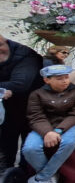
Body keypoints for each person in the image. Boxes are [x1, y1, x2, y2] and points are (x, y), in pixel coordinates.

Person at [23, 65, 75, 183]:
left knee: (69, 142)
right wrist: (47, 132)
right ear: (47, 80)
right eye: (59, 79)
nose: (65, 81)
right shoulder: (37, 94)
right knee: (30, 148)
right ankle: (50, 177)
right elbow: (35, 116)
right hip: (43, 127)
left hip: (69, 125)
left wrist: (58, 131)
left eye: (66, 77)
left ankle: (40, 178)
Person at [0, 35, 43, 169]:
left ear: (5, 42)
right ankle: (7, 169)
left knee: (27, 141)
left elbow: (20, 84)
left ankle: (25, 173)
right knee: (7, 137)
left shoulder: (25, 55)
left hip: (30, 104)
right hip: (6, 104)